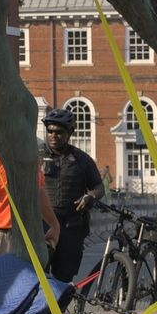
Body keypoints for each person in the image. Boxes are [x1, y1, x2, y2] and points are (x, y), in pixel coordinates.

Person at [38, 107, 105, 282]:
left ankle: (59, 309)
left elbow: (99, 186)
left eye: (58, 132)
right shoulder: (35, 156)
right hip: (41, 226)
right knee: (37, 277)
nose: (53, 135)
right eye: (50, 131)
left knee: (63, 279)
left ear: (70, 132)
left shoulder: (82, 159)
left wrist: (90, 196)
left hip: (71, 228)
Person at [0, 146, 61, 264]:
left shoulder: (30, 155)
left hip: (29, 235)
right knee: (1, 281)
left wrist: (54, 224)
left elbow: (38, 192)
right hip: (1, 237)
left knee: (29, 281)